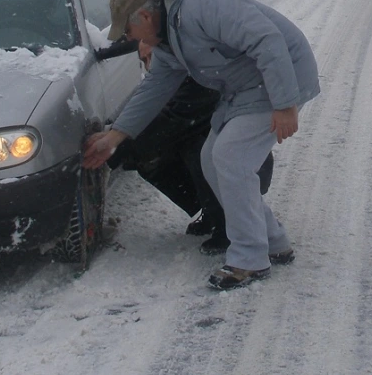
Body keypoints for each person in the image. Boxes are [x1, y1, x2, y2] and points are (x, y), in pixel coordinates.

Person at [83, 0, 320, 290]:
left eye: (127, 30)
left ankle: (249, 259)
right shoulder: (168, 36)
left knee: (231, 158)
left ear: (144, 16)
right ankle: (272, 240)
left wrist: (285, 103)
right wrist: (117, 135)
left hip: (280, 77)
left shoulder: (203, 6)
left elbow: (266, 40)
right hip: (244, 88)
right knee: (212, 160)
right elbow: (156, 85)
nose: (129, 38)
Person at [100, 41, 274, 254]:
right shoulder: (175, 64)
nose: (148, 65)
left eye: (150, 57)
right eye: (143, 60)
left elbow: (171, 120)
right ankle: (212, 211)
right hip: (215, 145)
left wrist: (112, 148)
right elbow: (129, 38)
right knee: (155, 152)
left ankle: (228, 224)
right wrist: (98, 52)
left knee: (195, 150)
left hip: (245, 164)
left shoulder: (196, 80)